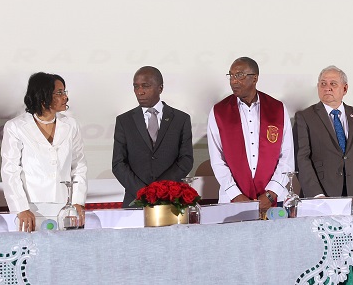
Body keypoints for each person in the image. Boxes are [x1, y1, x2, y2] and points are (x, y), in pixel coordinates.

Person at [1, 72, 87, 232]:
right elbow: (10, 171)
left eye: (64, 92)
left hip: (65, 208)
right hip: (31, 209)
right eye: (59, 93)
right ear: (43, 95)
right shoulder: (15, 127)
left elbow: (79, 166)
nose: (65, 97)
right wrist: (21, 208)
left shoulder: (71, 125)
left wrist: (77, 201)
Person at [207, 57, 293, 212]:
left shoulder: (277, 109)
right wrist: (235, 194)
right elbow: (217, 160)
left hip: (275, 200)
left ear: (255, 78)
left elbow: (287, 156)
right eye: (231, 76)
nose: (233, 81)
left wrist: (271, 193)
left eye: (239, 75)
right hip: (232, 201)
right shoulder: (219, 112)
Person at [294, 65, 353, 204]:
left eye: (333, 84)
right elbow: (302, 159)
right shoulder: (305, 117)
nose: (327, 88)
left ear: (345, 88)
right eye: (323, 84)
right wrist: (317, 196)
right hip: (322, 197)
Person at [112, 66, 193, 207]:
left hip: (171, 199)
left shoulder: (181, 119)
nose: (139, 92)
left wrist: (160, 189)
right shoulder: (124, 121)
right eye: (136, 87)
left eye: (145, 86)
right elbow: (118, 164)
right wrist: (143, 192)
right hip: (135, 200)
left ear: (160, 88)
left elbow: (185, 160)